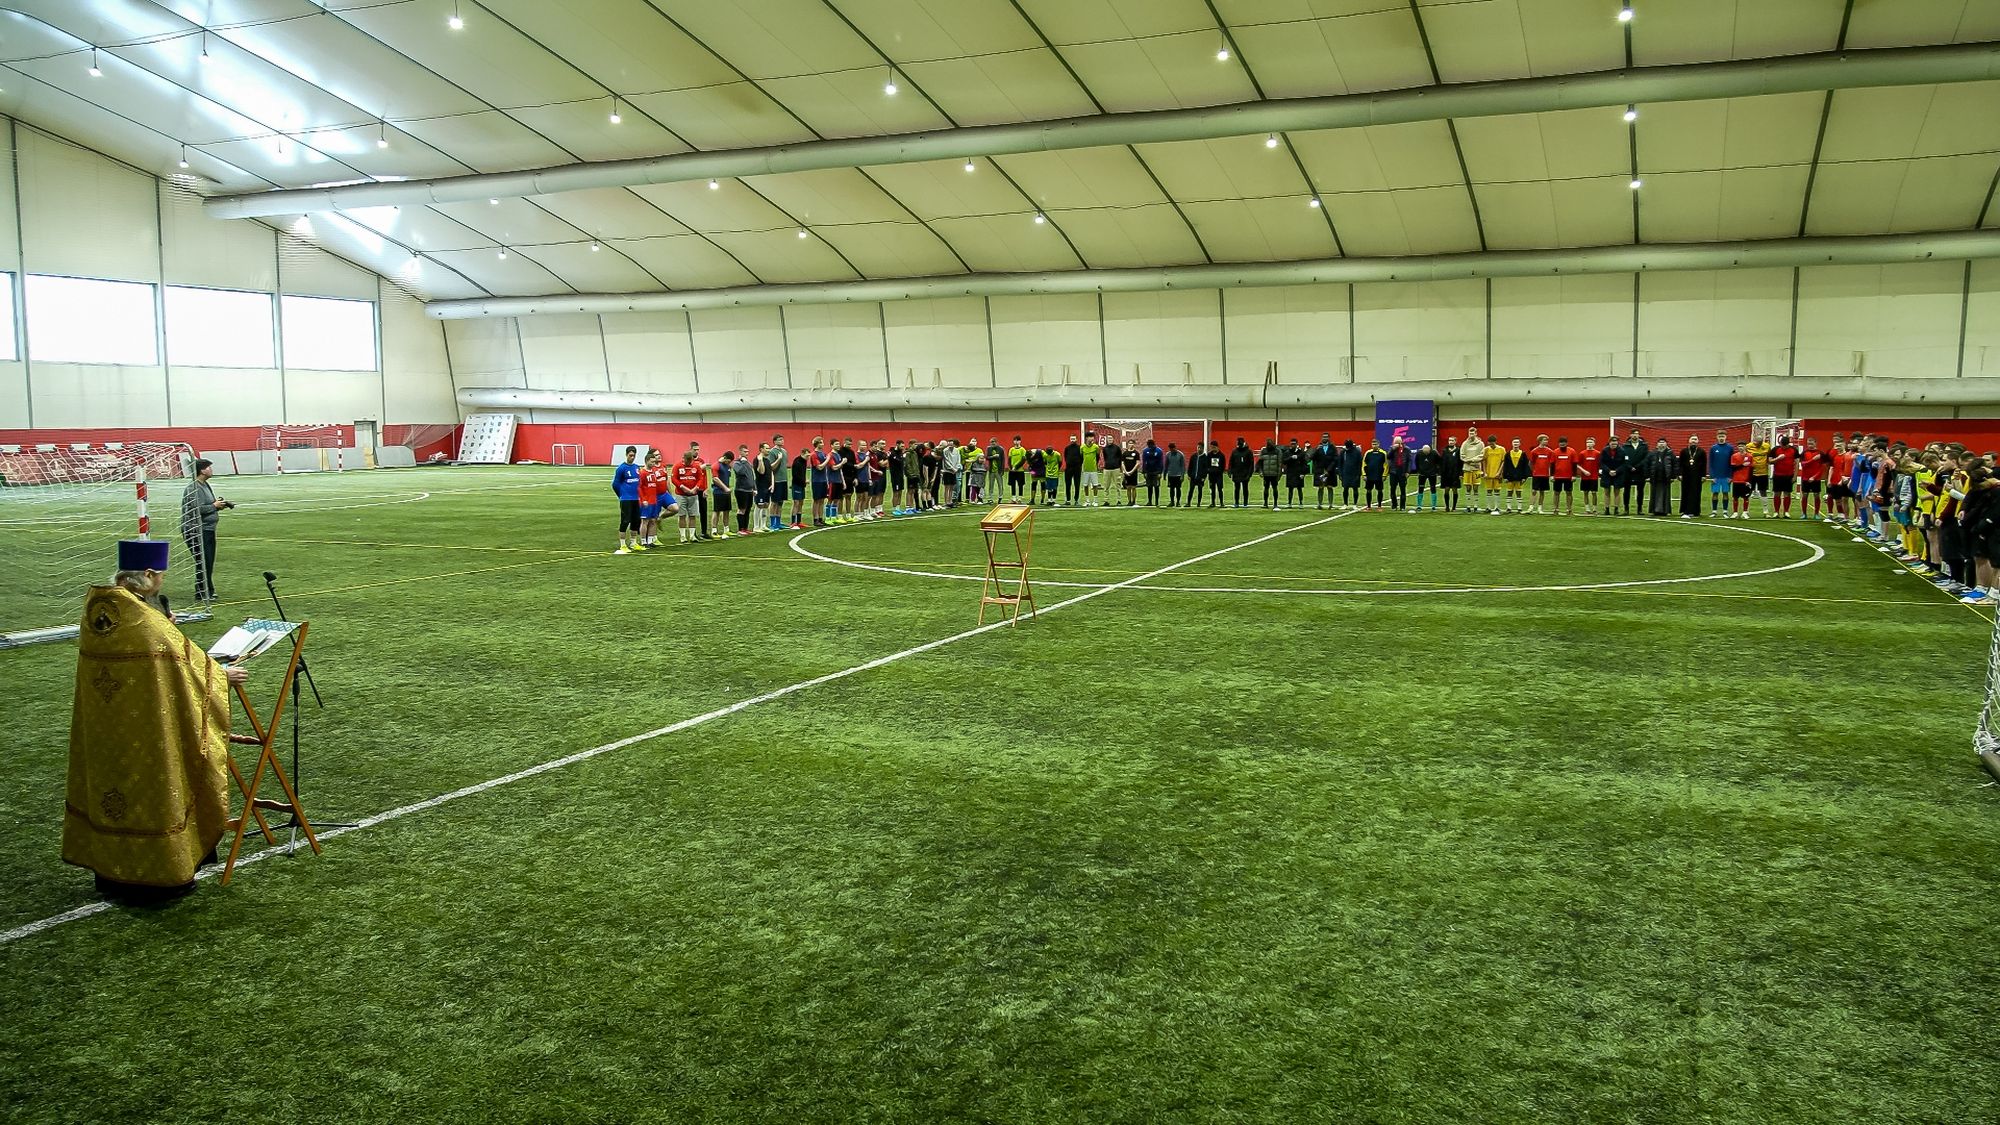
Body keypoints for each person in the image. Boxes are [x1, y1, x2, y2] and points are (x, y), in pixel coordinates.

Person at [65, 539, 250, 903]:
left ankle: (111, 871)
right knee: (154, 790)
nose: (163, 580)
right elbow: (182, 668)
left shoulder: (98, 611)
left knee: (112, 790)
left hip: (105, 727)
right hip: (149, 730)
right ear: (147, 575)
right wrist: (221, 676)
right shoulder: (146, 621)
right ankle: (160, 873)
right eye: (161, 575)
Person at [636, 450, 671, 550]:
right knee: (645, 521)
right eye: (651, 462)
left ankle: (650, 541)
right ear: (647, 461)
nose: (653, 464)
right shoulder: (642, 473)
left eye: (654, 462)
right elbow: (639, 487)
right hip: (646, 501)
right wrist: (643, 500)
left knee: (653, 520)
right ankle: (643, 541)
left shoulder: (653, 472)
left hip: (654, 500)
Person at [611, 446, 642, 555]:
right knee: (625, 521)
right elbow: (615, 484)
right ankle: (623, 544)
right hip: (626, 499)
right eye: (630, 455)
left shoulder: (637, 467)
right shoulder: (621, 468)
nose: (632, 458)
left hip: (636, 498)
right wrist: (621, 495)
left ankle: (633, 542)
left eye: (634, 456)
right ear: (626, 455)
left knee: (636, 520)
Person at [1620, 432, 1650, 514]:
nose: (1635, 435)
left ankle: (1639, 509)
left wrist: (1637, 466)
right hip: (1628, 472)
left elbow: (1646, 458)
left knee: (1640, 491)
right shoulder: (1624, 446)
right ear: (1630, 435)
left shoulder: (1644, 446)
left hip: (1640, 471)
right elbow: (1623, 458)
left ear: (1639, 435)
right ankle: (1626, 509)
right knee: (1626, 491)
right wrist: (1630, 467)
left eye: (1636, 434)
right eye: (1633, 434)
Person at [1744, 432, 1773, 516]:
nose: (1757, 445)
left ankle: (1765, 511)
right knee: (1748, 491)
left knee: (1763, 491)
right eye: (1756, 443)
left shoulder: (1767, 446)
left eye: (1759, 444)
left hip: (1763, 472)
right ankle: (1746, 511)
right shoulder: (1748, 446)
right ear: (1754, 441)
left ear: (1762, 442)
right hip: (1751, 473)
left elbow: (1769, 457)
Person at [1707, 430, 1734, 517]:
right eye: (1720, 436)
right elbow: (1711, 462)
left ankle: (1725, 512)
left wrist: (1730, 476)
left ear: (1726, 437)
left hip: (1726, 476)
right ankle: (1714, 511)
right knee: (1715, 493)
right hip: (1716, 476)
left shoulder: (1730, 448)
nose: (1721, 438)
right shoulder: (1713, 448)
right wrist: (1712, 476)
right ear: (1717, 437)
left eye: (1723, 436)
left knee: (1725, 493)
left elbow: (1732, 463)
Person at [1459, 427, 1487, 513]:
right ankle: (1468, 507)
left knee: (1476, 487)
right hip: (1467, 469)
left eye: (1472, 433)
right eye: (1470, 433)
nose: (1471, 435)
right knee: (1468, 487)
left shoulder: (1481, 444)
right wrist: (1468, 461)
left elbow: (1482, 455)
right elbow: (1462, 455)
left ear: (1476, 433)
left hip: (1477, 469)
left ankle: (1475, 507)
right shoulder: (1464, 444)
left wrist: (1472, 460)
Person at [764, 434, 788, 531]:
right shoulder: (772, 452)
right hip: (776, 480)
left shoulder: (784, 451)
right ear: (775, 441)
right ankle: (772, 523)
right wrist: (778, 459)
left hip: (783, 479)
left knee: (781, 502)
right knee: (774, 502)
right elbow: (771, 467)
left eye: (782, 439)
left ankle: (778, 522)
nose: (782, 441)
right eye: (779, 440)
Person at [1769, 437, 1798, 519]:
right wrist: (1778, 458)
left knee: (1787, 493)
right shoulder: (1775, 449)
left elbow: (1796, 463)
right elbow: (1769, 461)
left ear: (1788, 444)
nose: (1783, 447)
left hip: (1789, 475)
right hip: (1777, 475)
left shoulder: (1794, 450)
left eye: (1785, 446)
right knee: (1777, 493)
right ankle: (1776, 512)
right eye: (1782, 445)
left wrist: (1795, 476)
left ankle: (1786, 512)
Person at [1676, 434, 1704, 519]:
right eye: (1692, 439)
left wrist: (1703, 476)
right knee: (1685, 492)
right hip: (1685, 475)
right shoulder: (1684, 451)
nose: (1694, 441)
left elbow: (1704, 464)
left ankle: (1695, 511)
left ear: (1698, 441)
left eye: (1695, 439)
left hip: (1697, 476)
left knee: (1696, 493)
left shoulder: (1701, 451)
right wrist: (1679, 474)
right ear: (1689, 440)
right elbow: (1680, 464)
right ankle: (1685, 510)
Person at [1647, 439, 1675, 516]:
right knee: (1654, 494)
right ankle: (1654, 510)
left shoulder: (1670, 453)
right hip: (1654, 477)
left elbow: (1675, 465)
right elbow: (1647, 464)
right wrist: (1647, 476)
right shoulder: (1652, 453)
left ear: (1666, 444)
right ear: (1657, 444)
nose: (1661, 444)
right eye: (1660, 442)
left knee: (1666, 494)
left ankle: (1666, 511)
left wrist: (1673, 476)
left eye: (1663, 443)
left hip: (1666, 477)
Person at [1527, 434, 1554, 515]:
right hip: (1536, 474)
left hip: (1545, 475)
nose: (1546, 441)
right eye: (1544, 440)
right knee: (1534, 491)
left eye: (1547, 440)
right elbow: (1531, 463)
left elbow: (1551, 463)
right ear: (1540, 441)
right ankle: (1531, 507)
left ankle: (1540, 508)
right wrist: (1534, 470)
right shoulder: (1534, 451)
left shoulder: (1550, 451)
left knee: (1542, 491)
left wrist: (1550, 473)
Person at [1549, 437, 1576, 516]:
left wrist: (1574, 475)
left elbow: (1574, 464)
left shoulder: (1572, 451)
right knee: (1556, 492)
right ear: (1559, 444)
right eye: (1561, 443)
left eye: (1564, 443)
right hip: (1557, 476)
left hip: (1568, 476)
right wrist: (1551, 475)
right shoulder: (1555, 452)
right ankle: (1555, 509)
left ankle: (1569, 509)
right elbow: (1552, 464)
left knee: (1569, 493)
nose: (1562, 444)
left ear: (1567, 443)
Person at [1501, 438, 1529, 513]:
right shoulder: (1508, 454)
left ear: (1520, 444)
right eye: (1514, 442)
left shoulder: (1523, 454)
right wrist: (1505, 477)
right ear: (1512, 443)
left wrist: (1524, 477)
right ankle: (1508, 508)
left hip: (1519, 477)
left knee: (1518, 492)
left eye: (1517, 442)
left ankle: (1519, 508)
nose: (1515, 444)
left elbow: (1525, 466)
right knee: (1509, 492)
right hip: (1510, 477)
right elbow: (1505, 466)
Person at [1310, 433, 1337, 510]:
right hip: (1320, 471)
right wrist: (1316, 450)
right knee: (1320, 487)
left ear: (1329, 438)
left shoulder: (1333, 447)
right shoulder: (1318, 447)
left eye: (1326, 437)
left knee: (1330, 487)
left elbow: (1335, 459)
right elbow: (1311, 458)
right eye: (1323, 437)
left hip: (1330, 471)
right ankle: (1319, 504)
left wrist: (1329, 469)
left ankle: (1330, 504)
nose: (1324, 438)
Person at [1577, 437, 1601, 515]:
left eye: (1591, 442)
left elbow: (1600, 464)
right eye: (1587, 442)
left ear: (1594, 443)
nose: (1589, 444)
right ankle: (1587, 509)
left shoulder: (1597, 453)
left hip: (1594, 477)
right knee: (1585, 492)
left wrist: (1599, 471)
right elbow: (1578, 464)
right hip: (1585, 477)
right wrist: (1584, 471)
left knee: (1594, 492)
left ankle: (1594, 509)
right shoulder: (1582, 453)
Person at [1281, 438, 1308, 510]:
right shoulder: (1287, 452)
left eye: (1294, 444)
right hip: (1290, 473)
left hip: (1299, 473)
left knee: (1299, 488)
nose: (1293, 445)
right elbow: (1284, 461)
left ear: (1297, 444)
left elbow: (1304, 464)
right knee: (1290, 488)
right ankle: (1289, 503)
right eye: (1291, 444)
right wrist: (1291, 457)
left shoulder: (1301, 452)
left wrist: (1303, 473)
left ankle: (1301, 503)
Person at [1386, 437, 1411, 510]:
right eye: (1395, 443)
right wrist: (1393, 449)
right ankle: (1394, 505)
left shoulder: (1406, 449)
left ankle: (1402, 506)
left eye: (1398, 443)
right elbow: (1388, 456)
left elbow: (1409, 461)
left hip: (1402, 471)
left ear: (1401, 442)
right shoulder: (1391, 448)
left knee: (1403, 489)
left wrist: (1408, 471)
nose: (1396, 444)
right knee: (1392, 489)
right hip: (1393, 471)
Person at [1413, 443, 1440, 512]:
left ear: (1430, 450)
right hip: (1422, 474)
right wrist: (1419, 471)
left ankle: (1433, 506)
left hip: (1432, 474)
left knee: (1433, 489)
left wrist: (1437, 471)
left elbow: (1439, 462)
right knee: (1420, 489)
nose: (1426, 454)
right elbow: (1416, 462)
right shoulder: (1419, 453)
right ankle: (1419, 505)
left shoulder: (1434, 453)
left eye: (1427, 453)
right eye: (1425, 453)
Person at [1228, 438, 1254, 508]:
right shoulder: (1234, 452)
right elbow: (1231, 462)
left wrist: (1249, 474)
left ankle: (1245, 503)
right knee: (1237, 488)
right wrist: (1230, 471)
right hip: (1236, 473)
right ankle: (1236, 502)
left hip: (1245, 473)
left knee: (1245, 488)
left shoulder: (1248, 452)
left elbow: (1251, 464)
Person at [1482, 436, 1506, 514]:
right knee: (1488, 490)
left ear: (1495, 442)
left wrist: (1499, 472)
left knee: (1497, 490)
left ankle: (1497, 507)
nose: (1491, 445)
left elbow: (1503, 461)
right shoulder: (1486, 449)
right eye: (1489, 443)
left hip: (1497, 474)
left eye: (1492, 443)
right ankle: (1488, 507)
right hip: (1488, 474)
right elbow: (1483, 461)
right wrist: (1485, 472)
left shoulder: (1501, 449)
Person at [1257, 438, 1283, 509]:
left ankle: (1274, 503)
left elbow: (1280, 463)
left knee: (1273, 488)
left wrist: (1279, 474)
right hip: (1267, 474)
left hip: (1274, 474)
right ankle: (1266, 503)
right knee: (1267, 488)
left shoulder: (1277, 451)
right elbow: (1260, 463)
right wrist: (1260, 471)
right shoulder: (1264, 451)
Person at [1362, 438, 1387, 509]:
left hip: (1379, 475)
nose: (1374, 445)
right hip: (1369, 475)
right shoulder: (1368, 453)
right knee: (1368, 490)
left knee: (1379, 490)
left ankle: (1379, 506)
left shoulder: (1383, 453)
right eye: (1373, 444)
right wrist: (1364, 474)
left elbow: (1386, 465)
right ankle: (1368, 506)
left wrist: (1384, 475)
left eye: (1376, 444)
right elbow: (1364, 464)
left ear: (1379, 444)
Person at [1080, 433, 1103, 507]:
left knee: (1095, 485)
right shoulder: (1082, 447)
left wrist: (1095, 464)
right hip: (1085, 470)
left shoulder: (1096, 447)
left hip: (1093, 470)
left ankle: (1095, 501)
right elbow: (1081, 457)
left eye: (1092, 437)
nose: (1092, 438)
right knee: (1085, 485)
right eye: (1090, 437)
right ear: (1086, 438)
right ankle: (1087, 501)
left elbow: (1098, 456)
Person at [1440, 437, 1462, 512]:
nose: (1451, 442)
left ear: (1455, 441)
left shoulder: (1458, 450)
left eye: (1452, 440)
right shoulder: (1444, 450)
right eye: (1449, 440)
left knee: (1454, 490)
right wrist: (1441, 473)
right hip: (1446, 474)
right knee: (1446, 490)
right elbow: (1442, 463)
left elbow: (1460, 463)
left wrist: (1460, 473)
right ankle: (1447, 507)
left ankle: (1454, 507)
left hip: (1455, 474)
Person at [1339, 439, 1362, 508]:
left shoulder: (1357, 452)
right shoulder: (1343, 452)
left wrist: (1359, 474)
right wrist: (1340, 473)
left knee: (1355, 489)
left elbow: (1360, 463)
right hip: (1345, 473)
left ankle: (1355, 504)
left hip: (1355, 473)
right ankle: (1345, 504)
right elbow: (1340, 463)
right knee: (1345, 488)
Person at [1141, 439, 1165, 506]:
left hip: (1156, 472)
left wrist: (1160, 472)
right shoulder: (1145, 451)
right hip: (1148, 471)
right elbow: (1144, 461)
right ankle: (1150, 501)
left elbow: (1161, 462)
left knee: (1156, 486)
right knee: (1149, 487)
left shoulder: (1159, 451)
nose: (1150, 447)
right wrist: (1144, 472)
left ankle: (1157, 501)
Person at [1202, 440, 1226, 508]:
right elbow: (1207, 464)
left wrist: (1219, 471)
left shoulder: (1221, 455)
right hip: (1211, 475)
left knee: (1220, 489)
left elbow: (1223, 465)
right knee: (1212, 489)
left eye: (1213, 447)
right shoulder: (1209, 455)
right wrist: (1209, 470)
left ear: (1216, 447)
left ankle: (1221, 503)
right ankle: (1213, 502)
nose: (1212, 448)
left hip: (1219, 475)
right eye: (1211, 447)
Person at [1165, 441, 1187, 507]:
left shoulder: (1180, 455)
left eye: (1172, 449)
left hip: (1178, 475)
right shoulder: (1168, 454)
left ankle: (1178, 502)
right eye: (1170, 449)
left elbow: (1183, 466)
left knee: (1178, 489)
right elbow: (1166, 465)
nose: (1171, 450)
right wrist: (1165, 474)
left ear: (1175, 448)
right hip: (1170, 474)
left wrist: (1182, 475)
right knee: (1171, 489)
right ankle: (1172, 502)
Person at [1063, 435, 1083, 505]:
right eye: (1071, 439)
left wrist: (1079, 464)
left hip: (1077, 468)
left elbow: (1082, 458)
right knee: (1068, 484)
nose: (1072, 440)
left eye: (1074, 439)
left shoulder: (1079, 448)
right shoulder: (1067, 448)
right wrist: (1068, 463)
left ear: (1076, 439)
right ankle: (1068, 500)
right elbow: (1065, 456)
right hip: (1068, 468)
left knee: (1077, 484)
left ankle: (1076, 500)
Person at [1007, 436, 1028, 501]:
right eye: (1015, 440)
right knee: (1012, 484)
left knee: (1020, 484)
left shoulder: (1022, 450)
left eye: (1017, 440)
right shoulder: (1011, 449)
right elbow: (1009, 459)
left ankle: (1020, 497)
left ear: (1020, 441)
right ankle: (1013, 496)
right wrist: (1011, 468)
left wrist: (1016, 467)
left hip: (1020, 470)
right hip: (1012, 471)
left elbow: (1023, 460)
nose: (1016, 442)